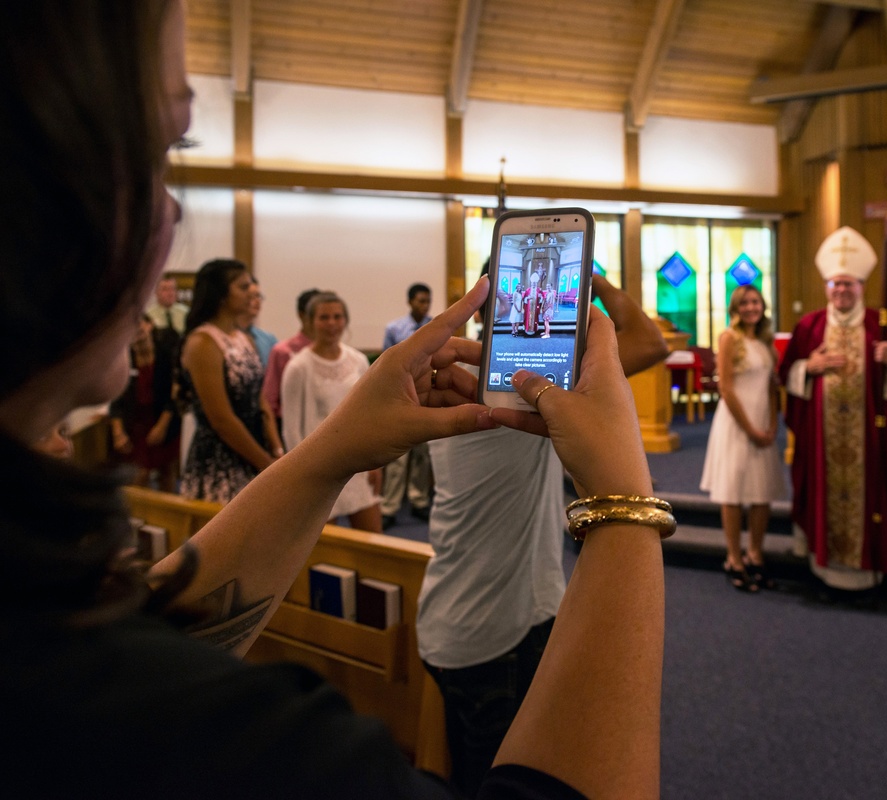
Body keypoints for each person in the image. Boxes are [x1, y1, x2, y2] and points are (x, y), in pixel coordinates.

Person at [0, 4, 667, 797]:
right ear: (36, 192)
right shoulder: (199, 737)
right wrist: (625, 510)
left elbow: (148, 630)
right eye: (160, 149)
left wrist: (337, 449)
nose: (172, 212)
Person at [418, 273, 669, 796]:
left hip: (451, 613)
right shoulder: (520, 390)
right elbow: (649, 342)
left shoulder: (463, 376)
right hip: (500, 628)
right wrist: (592, 279)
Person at [779, 226, 887, 592]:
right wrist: (807, 368)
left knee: (868, 496)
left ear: (861, 286)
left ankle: (868, 572)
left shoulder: (882, 326)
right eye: (835, 284)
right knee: (822, 494)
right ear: (826, 287)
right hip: (820, 439)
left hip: (869, 440)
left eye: (849, 284)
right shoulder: (810, 326)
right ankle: (824, 570)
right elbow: (786, 372)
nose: (841, 291)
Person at [700, 285, 785, 592]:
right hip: (736, 423)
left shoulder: (766, 343)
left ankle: (756, 554)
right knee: (733, 492)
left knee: (762, 493)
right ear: (736, 307)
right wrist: (750, 429)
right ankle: (734, 558)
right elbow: (726, 389)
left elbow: (772, 387)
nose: (752, 307)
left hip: (763, 421)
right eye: (746, 302)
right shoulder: (729, 338)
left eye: (756, 301)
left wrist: (773, 424)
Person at [179, 258, 283, 503]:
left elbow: (261, 401)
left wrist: (277, 450)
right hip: (220, 461)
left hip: (255, 451)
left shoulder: (243, 337)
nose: (252, 293)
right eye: (244, 287)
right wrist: (264, 463)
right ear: (221, 294)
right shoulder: (203, 342)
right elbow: (221, 420)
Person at [281, 292, 383, 532]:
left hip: (357, 463)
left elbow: (368, 416)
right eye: (323, 317)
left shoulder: (358, 360)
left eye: (337, 317)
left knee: (374, 543)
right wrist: (302, 476)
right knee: (325, 549)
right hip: (320, 469)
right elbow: (291, 430)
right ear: (310, 322)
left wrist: (376, 463)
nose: (331, 323)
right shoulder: (298, 367)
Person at [381, 282, 434, 528]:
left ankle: (419, 500)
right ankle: (389, 506)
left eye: (427, 301)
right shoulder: (395, 328)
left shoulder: (436, 327)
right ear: (410, 301)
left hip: (426, 396)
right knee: (397, 456)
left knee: (422, 455)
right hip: (401, 396)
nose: (424, 306)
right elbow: (385, 365)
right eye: (420, 300)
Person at [108, 313, 181, 490]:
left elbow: (174, 395)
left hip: (165, 420)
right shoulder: (123, 360)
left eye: (139, 323)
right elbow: (116, 401)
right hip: (136, 425)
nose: (136, 329)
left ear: (150, 325)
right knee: (139, 476)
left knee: (167, 472)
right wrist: (118, 433)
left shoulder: (166, 355)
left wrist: (162, 427)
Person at [261, 287, 320, 432]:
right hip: (290, 426)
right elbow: (269, 401)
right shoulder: (283, 351)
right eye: (320, 316)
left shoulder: (343, 354)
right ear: (302, 315)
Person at [243, 276, 278, 368]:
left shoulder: (268, 339)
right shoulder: (225, 337)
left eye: (258, 296)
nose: (257, 301)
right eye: (252, 296)